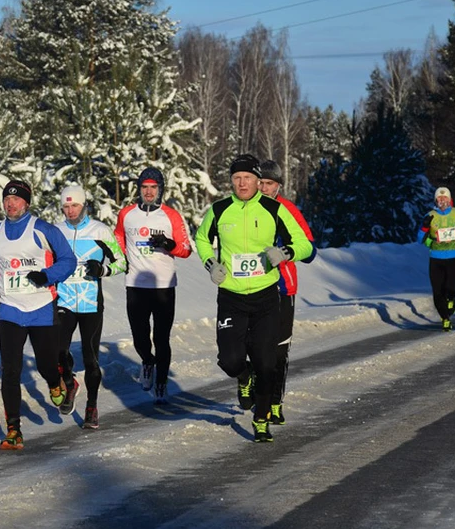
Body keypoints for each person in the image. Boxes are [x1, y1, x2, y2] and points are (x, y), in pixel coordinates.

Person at [195, 154, 314, 443]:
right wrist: (212, 265)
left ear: (257, 181)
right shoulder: (220, 209)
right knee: (229, 359)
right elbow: (201, 239)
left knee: (266, 361)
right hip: (231, 296)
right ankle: (243, 377)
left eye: (247, 178)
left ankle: (261, 420)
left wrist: (284, 253)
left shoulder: (274, 209)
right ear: (231, 182)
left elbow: (306, 246)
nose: (242, 183)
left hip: (265, 298)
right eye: (237, 178)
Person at [0, 180, 77, 450]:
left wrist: (47, 275)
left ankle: (57, 384)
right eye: (7, 199)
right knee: (10, 371)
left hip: (41, 308)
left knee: (46, 365)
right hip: (10, 309)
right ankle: (13, 431)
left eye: (16, 199)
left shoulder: (43, 230)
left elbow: (68, 260)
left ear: (26, 203)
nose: (10, 203)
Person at [114, 166, 193, 404]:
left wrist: (168, 244)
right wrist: (122, 257)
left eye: (153, 188)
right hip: (136, 285)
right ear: (139, 189)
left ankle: (161, 382)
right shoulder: (127, 214)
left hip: (163, 287)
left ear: (161, 190)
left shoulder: (171, 215)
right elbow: (119, 235)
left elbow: (186, 249)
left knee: (161, 337)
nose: (148, 192)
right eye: (145, 187)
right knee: (140, 337)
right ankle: (147, 361)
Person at [54, 184, 127, 429]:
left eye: (74, 205)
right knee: (58, 351)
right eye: (66, 206)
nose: (70, 211)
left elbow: (122, 263)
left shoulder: (100, 231)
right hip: (63, 301)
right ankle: (70, 382)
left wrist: (103, 270)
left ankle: (92, 406)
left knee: (90, 357)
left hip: (90, 303)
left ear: (84, 205)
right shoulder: (56, 232)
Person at [251, 159, 317, 426]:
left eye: (270, 184)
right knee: (251, 347)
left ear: (278, 186)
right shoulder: (245, 210)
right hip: (251, 288)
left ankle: (275, 401)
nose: (265, 188)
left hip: (282, 288)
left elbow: (310, 248)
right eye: (261, 183)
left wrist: (286, 251)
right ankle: (255, 388)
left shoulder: (287, 210)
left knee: (278, 351)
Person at [418, 186, 455, 331]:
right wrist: (425, 228)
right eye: (439, 198)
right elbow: (420, 238)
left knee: (451, 287)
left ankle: (451, 299)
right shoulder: (430, 215)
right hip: (436, 258)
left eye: (445, 198)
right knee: (437, 292)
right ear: (435, 200)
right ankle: (445, 319)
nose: (442, 200)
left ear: (450, 200)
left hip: (454, 256)